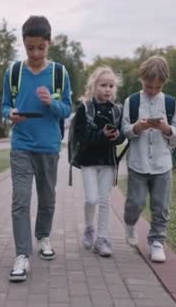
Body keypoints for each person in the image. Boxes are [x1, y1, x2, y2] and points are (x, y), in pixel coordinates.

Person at [1, 15, 72, 282]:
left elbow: (67, 108)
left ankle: (43, 236)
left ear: (48, 43)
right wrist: (11, 113)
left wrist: (51, 104)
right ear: (24, 44)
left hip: (48, 146)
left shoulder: (58, 73)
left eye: (40, 48)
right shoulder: (14, 72)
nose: (35, 53)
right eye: (30, 48)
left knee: (47, 197)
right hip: (21, 145)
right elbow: (4, 105)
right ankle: (22, 255)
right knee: (20, 199)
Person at [121, 55, 176, 262]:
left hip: (162, 164)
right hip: (138, 163)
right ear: (142, 80)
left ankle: (157, 241)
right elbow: (125, 130)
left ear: (164, 83)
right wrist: (139, 126)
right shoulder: (132, 101)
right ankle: (130, 223)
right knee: (135, 203)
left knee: (161, 206)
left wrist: (165, 128)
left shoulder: (171, 103)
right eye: (149, 86)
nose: (153, 91)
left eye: (157, 87)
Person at [73, 66, 125, 257]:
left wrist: (118, 136)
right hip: (88, 161)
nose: (107, 89)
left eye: (111, 86)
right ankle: (89, 228)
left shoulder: (117, 110)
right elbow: (83, 137)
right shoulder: (85, 109)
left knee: (104, 201)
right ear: (94, 86)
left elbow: (121, 138)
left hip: (108, 162)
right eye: (103, 85)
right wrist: (101, 135)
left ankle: (102, 239)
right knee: (91, 199)